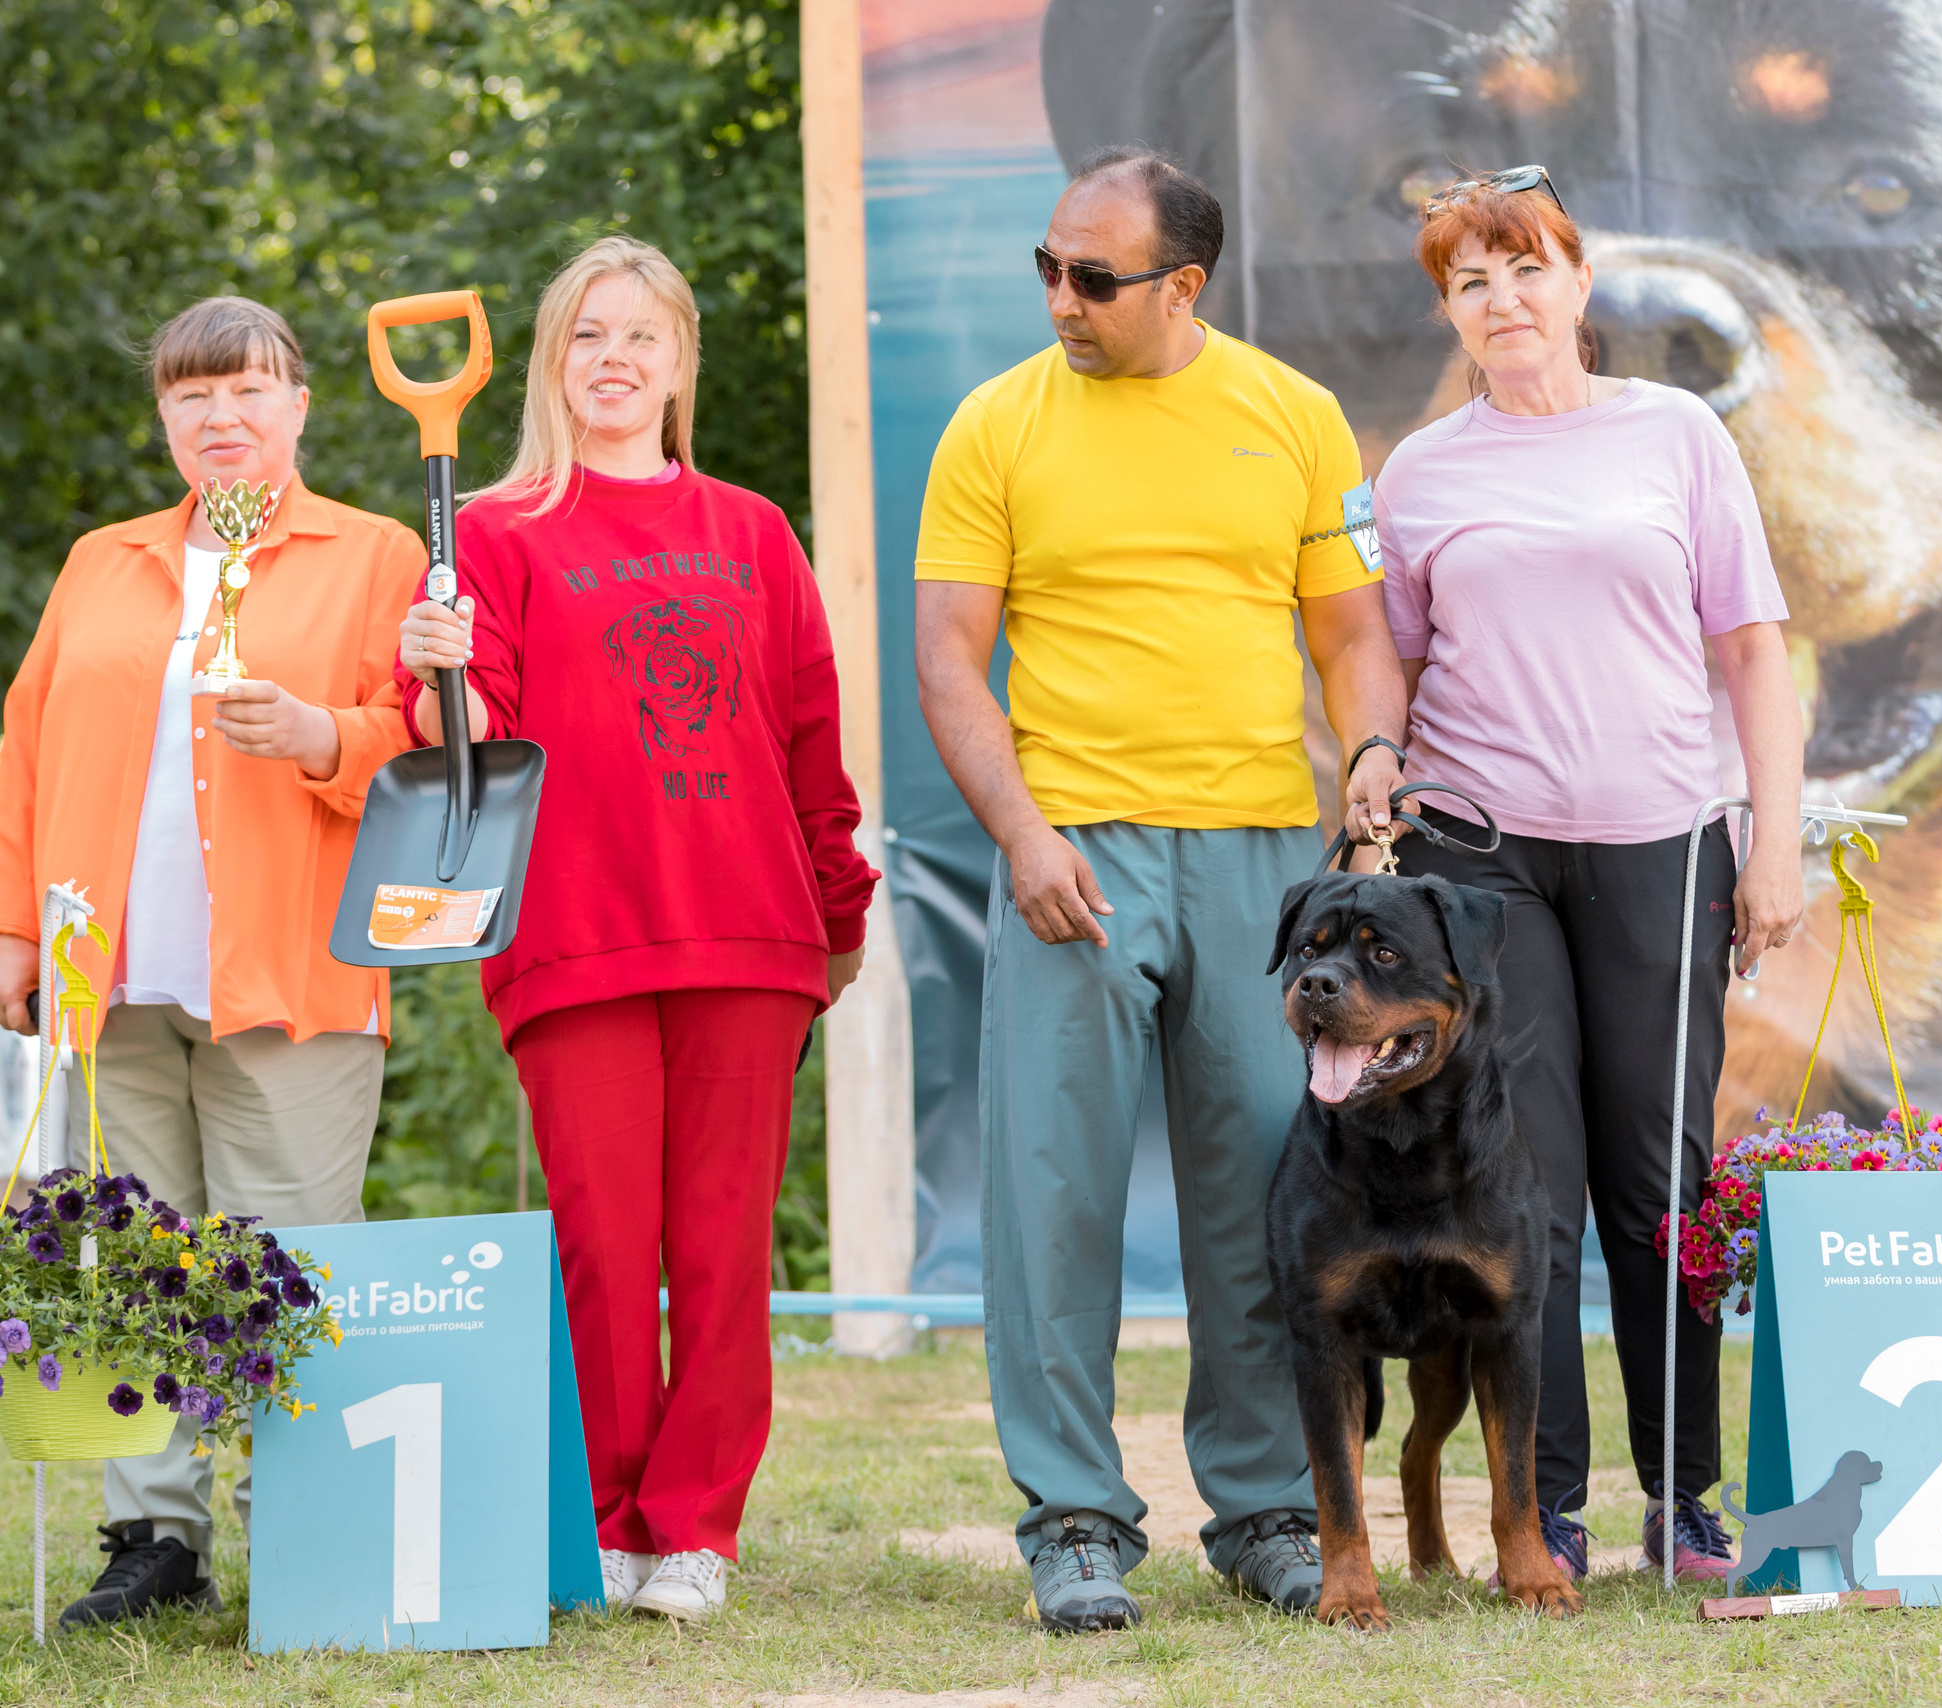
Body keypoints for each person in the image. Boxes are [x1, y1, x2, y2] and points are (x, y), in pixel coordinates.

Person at [914, 146, 1408, 1631]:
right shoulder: (994, 425)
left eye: (1094, 278)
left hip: (1265, 863)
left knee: (1266, 1197)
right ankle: (1073, 1519)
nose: (1061, 298)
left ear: (1182, 286)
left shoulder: (1295, 415)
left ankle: (1264, 1510)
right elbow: (949, 657)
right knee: (1052, 1196)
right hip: (1078, 850)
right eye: (1047, 269)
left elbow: (1355, 636)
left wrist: (1371, 750)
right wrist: (1023, 831)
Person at [397, 235, 876, 1623]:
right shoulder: (486, 536)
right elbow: (461, 743)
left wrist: (836, 917)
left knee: (722, 1244)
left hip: (749, 935)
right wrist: (437, 668)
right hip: (575, 933)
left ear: (678, 365)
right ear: (551, 364)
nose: (614, 359)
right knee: (605, 1243)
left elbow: (809, 744)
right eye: (587, 336)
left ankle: (695, 1531)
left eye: (641, 338)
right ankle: (607, 1514)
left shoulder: (752, 531)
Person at [1377, 168, 1807, 1584]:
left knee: (1659, 1189)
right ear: (1450, 311)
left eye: (1523, 271)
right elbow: (1390, 647)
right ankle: (1539, 1507)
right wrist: (1373, 749)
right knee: (1529, 1194)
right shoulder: (1422, 470)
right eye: (1469, 283)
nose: (1501, 302)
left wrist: (1776, 840)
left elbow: (1752, 649)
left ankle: (1682, 1500)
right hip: (1480, 853)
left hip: (1666, 845)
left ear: (1577, 281)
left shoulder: (1677, 436)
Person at [0, 296, 426, 1625]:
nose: (221, 418)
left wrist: (318, 733)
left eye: (247, 390)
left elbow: (430, 751)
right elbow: (24, 749)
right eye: (192, 397)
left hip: (290, 979)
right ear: (167, 421)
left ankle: (306, 1519)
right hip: (106, 985)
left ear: (300, 405)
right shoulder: (101, 560)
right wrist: (16, 929)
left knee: (281, 1260)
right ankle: (154, 1537)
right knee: (133, 1262)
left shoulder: (376, 553)